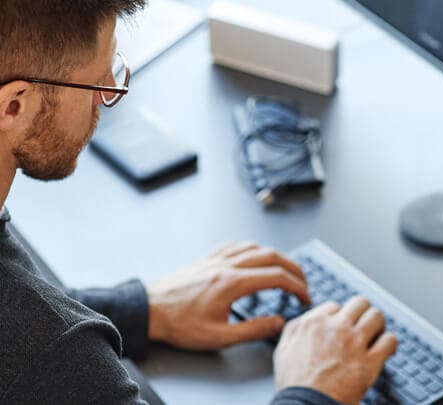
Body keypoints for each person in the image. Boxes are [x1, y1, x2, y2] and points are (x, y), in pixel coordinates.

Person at [0, 2, 398, 404]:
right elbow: (31, 347)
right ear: (13, 105)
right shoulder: (57, 360)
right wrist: (314, 390)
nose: (107, 96)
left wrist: (138, 311)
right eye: (95, 81)